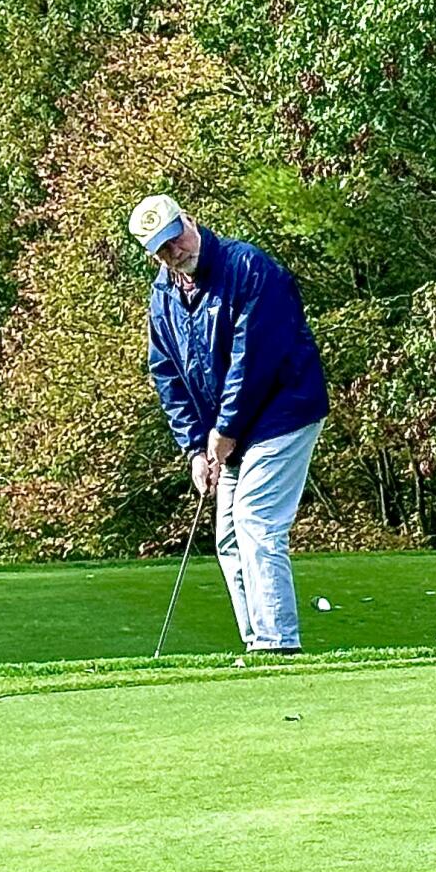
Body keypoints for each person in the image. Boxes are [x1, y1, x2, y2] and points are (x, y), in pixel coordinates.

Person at [131, 194, 330, 655]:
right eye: (162, 249)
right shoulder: (163, 297)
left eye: (175, 237)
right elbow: (167, 374)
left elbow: (253, 360)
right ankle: (257, 640)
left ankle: (278, 643)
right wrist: (195, 449)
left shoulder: (248, 269)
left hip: (284, 409)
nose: (175, 251)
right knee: (227, 536)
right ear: (152, 256)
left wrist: (223, 434)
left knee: (256, 519)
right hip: (231, 431)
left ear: (190, 221)